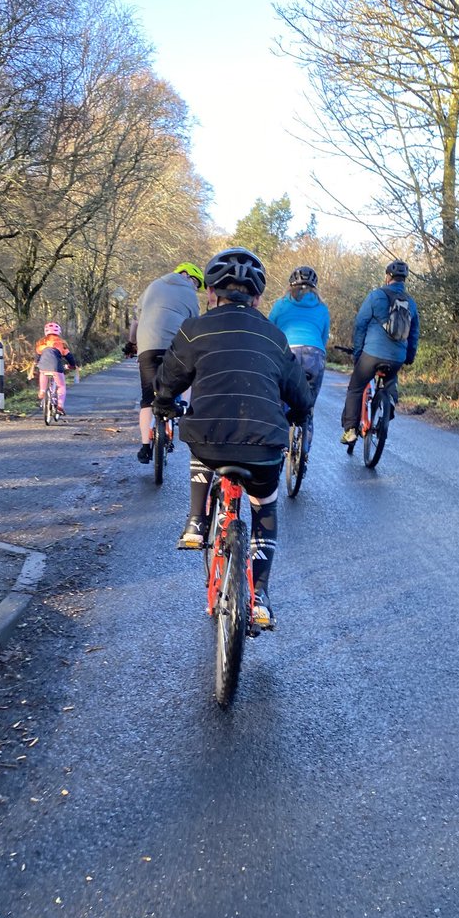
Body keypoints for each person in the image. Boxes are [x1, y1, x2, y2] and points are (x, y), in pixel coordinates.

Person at [152, 247, 312, 631]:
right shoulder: (275, 337)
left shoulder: (194, 329)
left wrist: (164, 404)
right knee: (264, 508)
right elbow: (301, 397)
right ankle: (261, 597)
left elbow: (168, 380)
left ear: (210, 293)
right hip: (264, 445)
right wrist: (296, 414)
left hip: (209, 441)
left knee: (203, 435)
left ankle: (195, 521)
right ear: (257, 299)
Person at [127, 262, 204, 463]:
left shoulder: (152, 286)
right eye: (196, 283)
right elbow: (195, 326)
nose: (195, 288)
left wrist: (131, 343)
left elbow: (136, 321)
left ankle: (145, 447)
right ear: (187, 276)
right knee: (189, 373)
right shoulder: (190, 295)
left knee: (147, 399)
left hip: (148, 347)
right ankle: (183, 406)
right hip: (175, 348)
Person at [341, 260, 419, 444]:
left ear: (388, 277)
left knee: (355, 388)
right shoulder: (411, 303)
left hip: (372, 354)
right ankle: (389, 399)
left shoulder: (376, 296)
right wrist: (409, 357)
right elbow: (414, 333)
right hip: (397, 357)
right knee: (391, 378)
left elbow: (360, 324)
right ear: (404, 279)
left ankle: (350, 430)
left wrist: (358, 353)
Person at [267, 266, 330, 451]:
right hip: (315, 353)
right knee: (308, 404)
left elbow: (270, 331)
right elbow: (324, 337)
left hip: (288, 351)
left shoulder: (281, 304)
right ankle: (304, 449)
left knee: (279, 399)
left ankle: (278, 444)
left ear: (290, 285)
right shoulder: (322, 308)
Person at [30, 322, 79, 414]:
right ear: (58, 332)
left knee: (42, 373)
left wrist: (36, 364)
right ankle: (60, 406)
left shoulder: (41, 343)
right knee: (61, 386)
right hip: (56, 368)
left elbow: (37, 357)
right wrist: (72, 365)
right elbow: (69, 357)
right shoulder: (61, 343)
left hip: (43, 367)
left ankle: (42, 391)